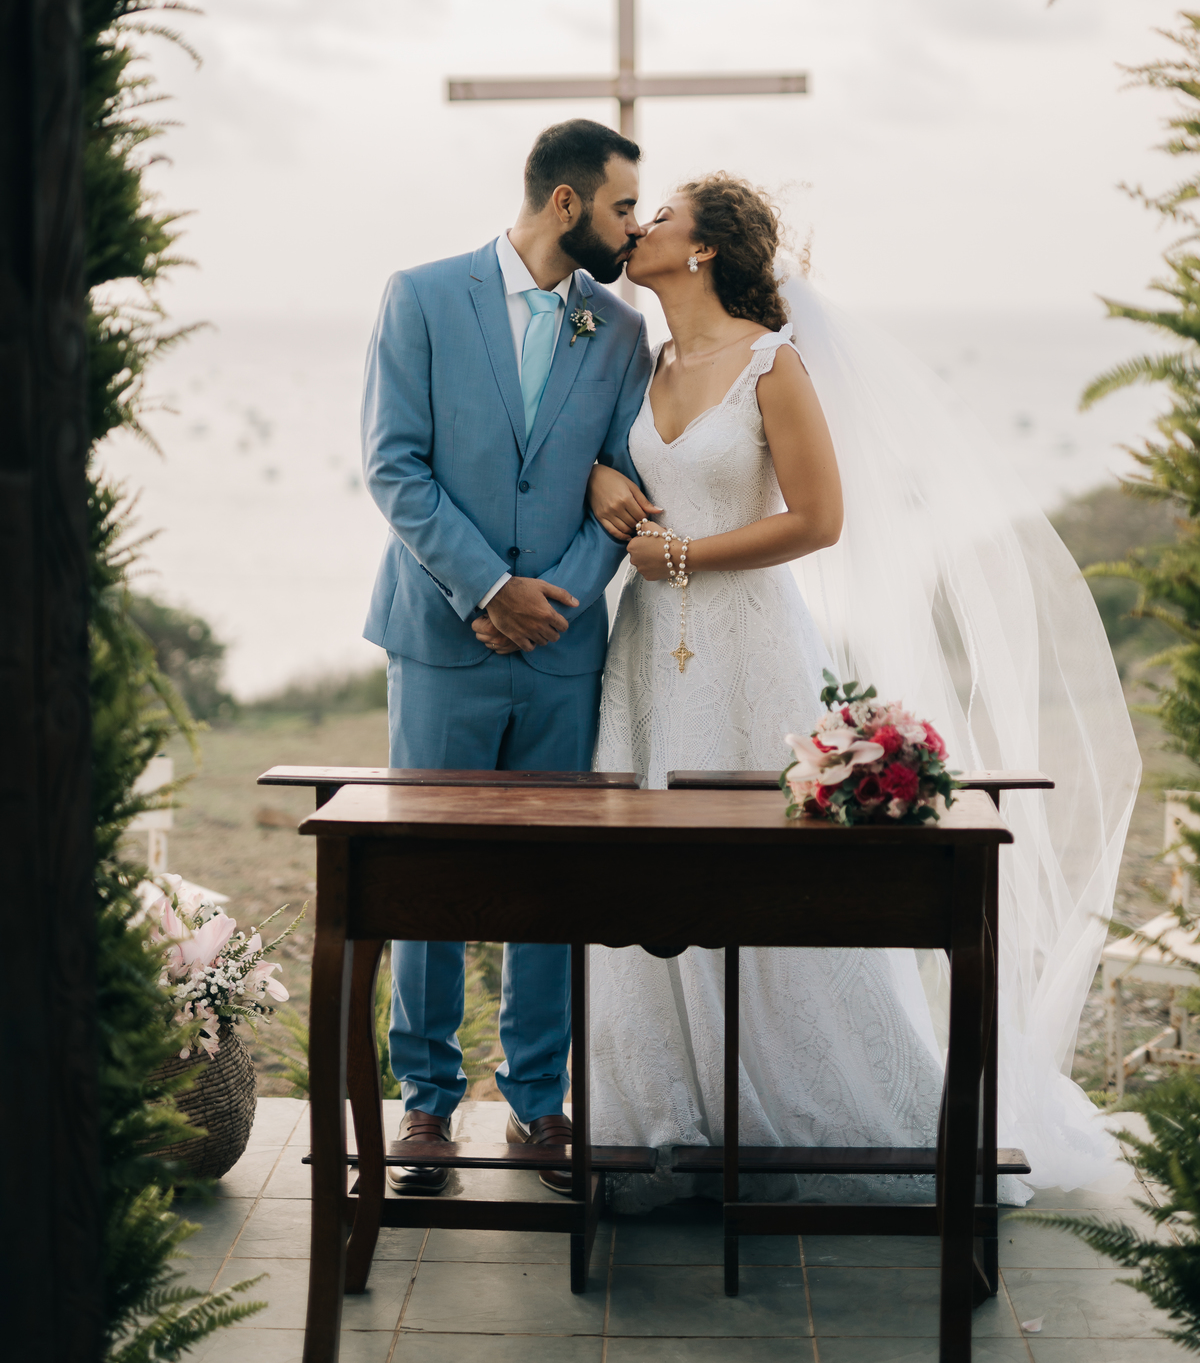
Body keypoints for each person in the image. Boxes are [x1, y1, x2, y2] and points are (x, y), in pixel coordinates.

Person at [584, 171, 1142, 1209]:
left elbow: (818, 518)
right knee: (645, 877)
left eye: (660, 216)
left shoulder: (771, 365)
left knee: (766, 883)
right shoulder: (650, 360)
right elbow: (612, 468)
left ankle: (831, 1114)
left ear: (702, 251)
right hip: (648, 651)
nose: (642, 225)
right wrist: (599, 482)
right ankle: (671, 1118)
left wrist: (688, 556)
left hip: (747, 649)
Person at [360, 117, 652, 1194]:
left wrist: (556, 602)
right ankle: (426, 1106)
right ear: (567, 204)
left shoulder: (618, 331)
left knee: (552, 881)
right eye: (624, 206)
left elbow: (623, 482)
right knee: (427, 876)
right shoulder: (422, 296)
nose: (635, 226)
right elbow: (395, 467)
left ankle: (538, 1105)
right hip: (441, 638)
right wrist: (486, 589)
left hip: (564, 646)